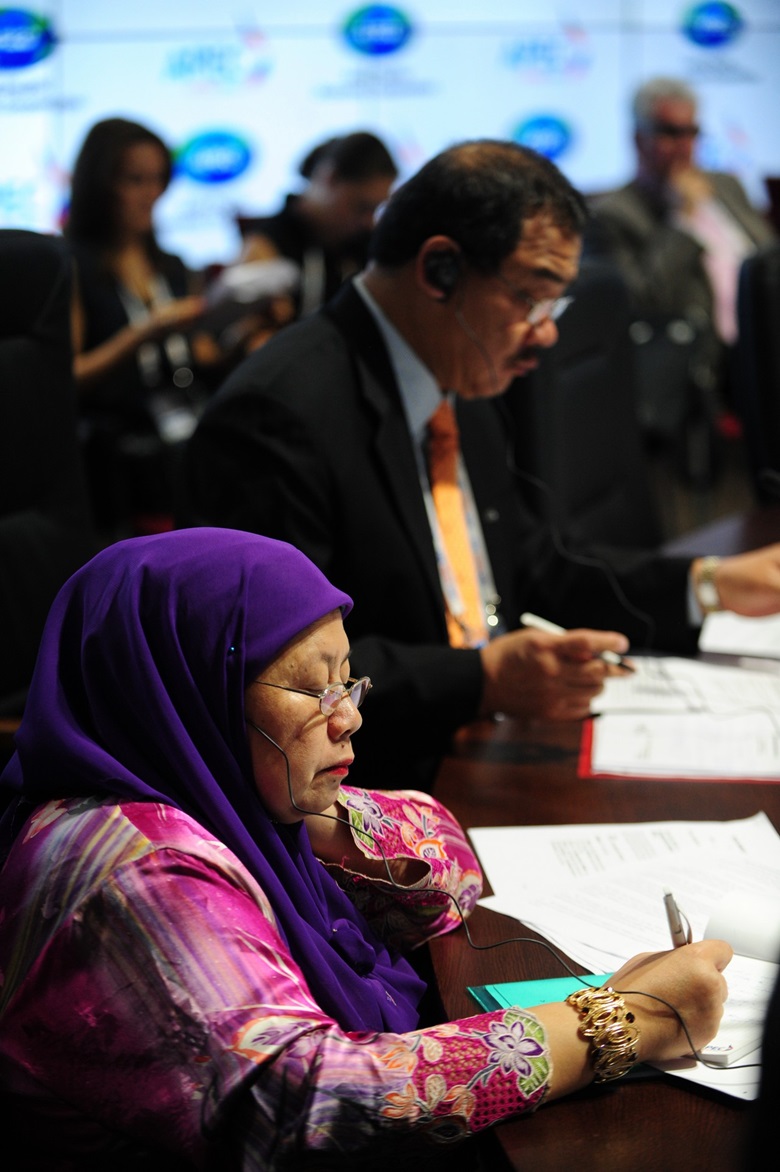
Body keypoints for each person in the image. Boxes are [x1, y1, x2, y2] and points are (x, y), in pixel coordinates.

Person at [0, 527, 732, 1168]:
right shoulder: (139, 868)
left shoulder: (215, 793)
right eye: (311, 689)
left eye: (348, 681)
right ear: (192, 694)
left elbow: (452, 866)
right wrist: (618, 1021)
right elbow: (311, 1106)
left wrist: (301, 812)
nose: (348, 716)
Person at [177, 139, 780, 793]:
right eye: (532, 300)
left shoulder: (455, 368)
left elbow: (530, 568)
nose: (547, 333)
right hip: (375, 786)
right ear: (440, 270)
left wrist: (709, 584)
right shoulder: (278, 414)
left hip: (489, 744)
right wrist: (481, 677)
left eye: (555, 307)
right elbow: (282, 673)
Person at [65, 117, 231, 537]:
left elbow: (203, 357)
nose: (150, 194)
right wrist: (142, 334)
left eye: (158, 180)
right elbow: (68, 377)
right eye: (134, 180)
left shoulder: (172, 265)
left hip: (185, 449)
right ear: (99, 185)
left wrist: (241, 323)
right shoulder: (71, 266)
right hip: (115, 464)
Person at [585, 77, 775, 412]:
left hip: (768, 332)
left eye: (691, 132)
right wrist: (683, 220)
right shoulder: (614, 215)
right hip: (711, 364)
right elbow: (645, 300)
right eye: (670, 133)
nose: (684, 144)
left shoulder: (725, 186)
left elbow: (769, 257)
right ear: (638, 139)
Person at [237, 130, 398, 333]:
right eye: (361, 207)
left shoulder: (369, 246)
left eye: (377, 209)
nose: (369, 221)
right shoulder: (267, 244)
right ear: (329, 178)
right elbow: (241, 334)